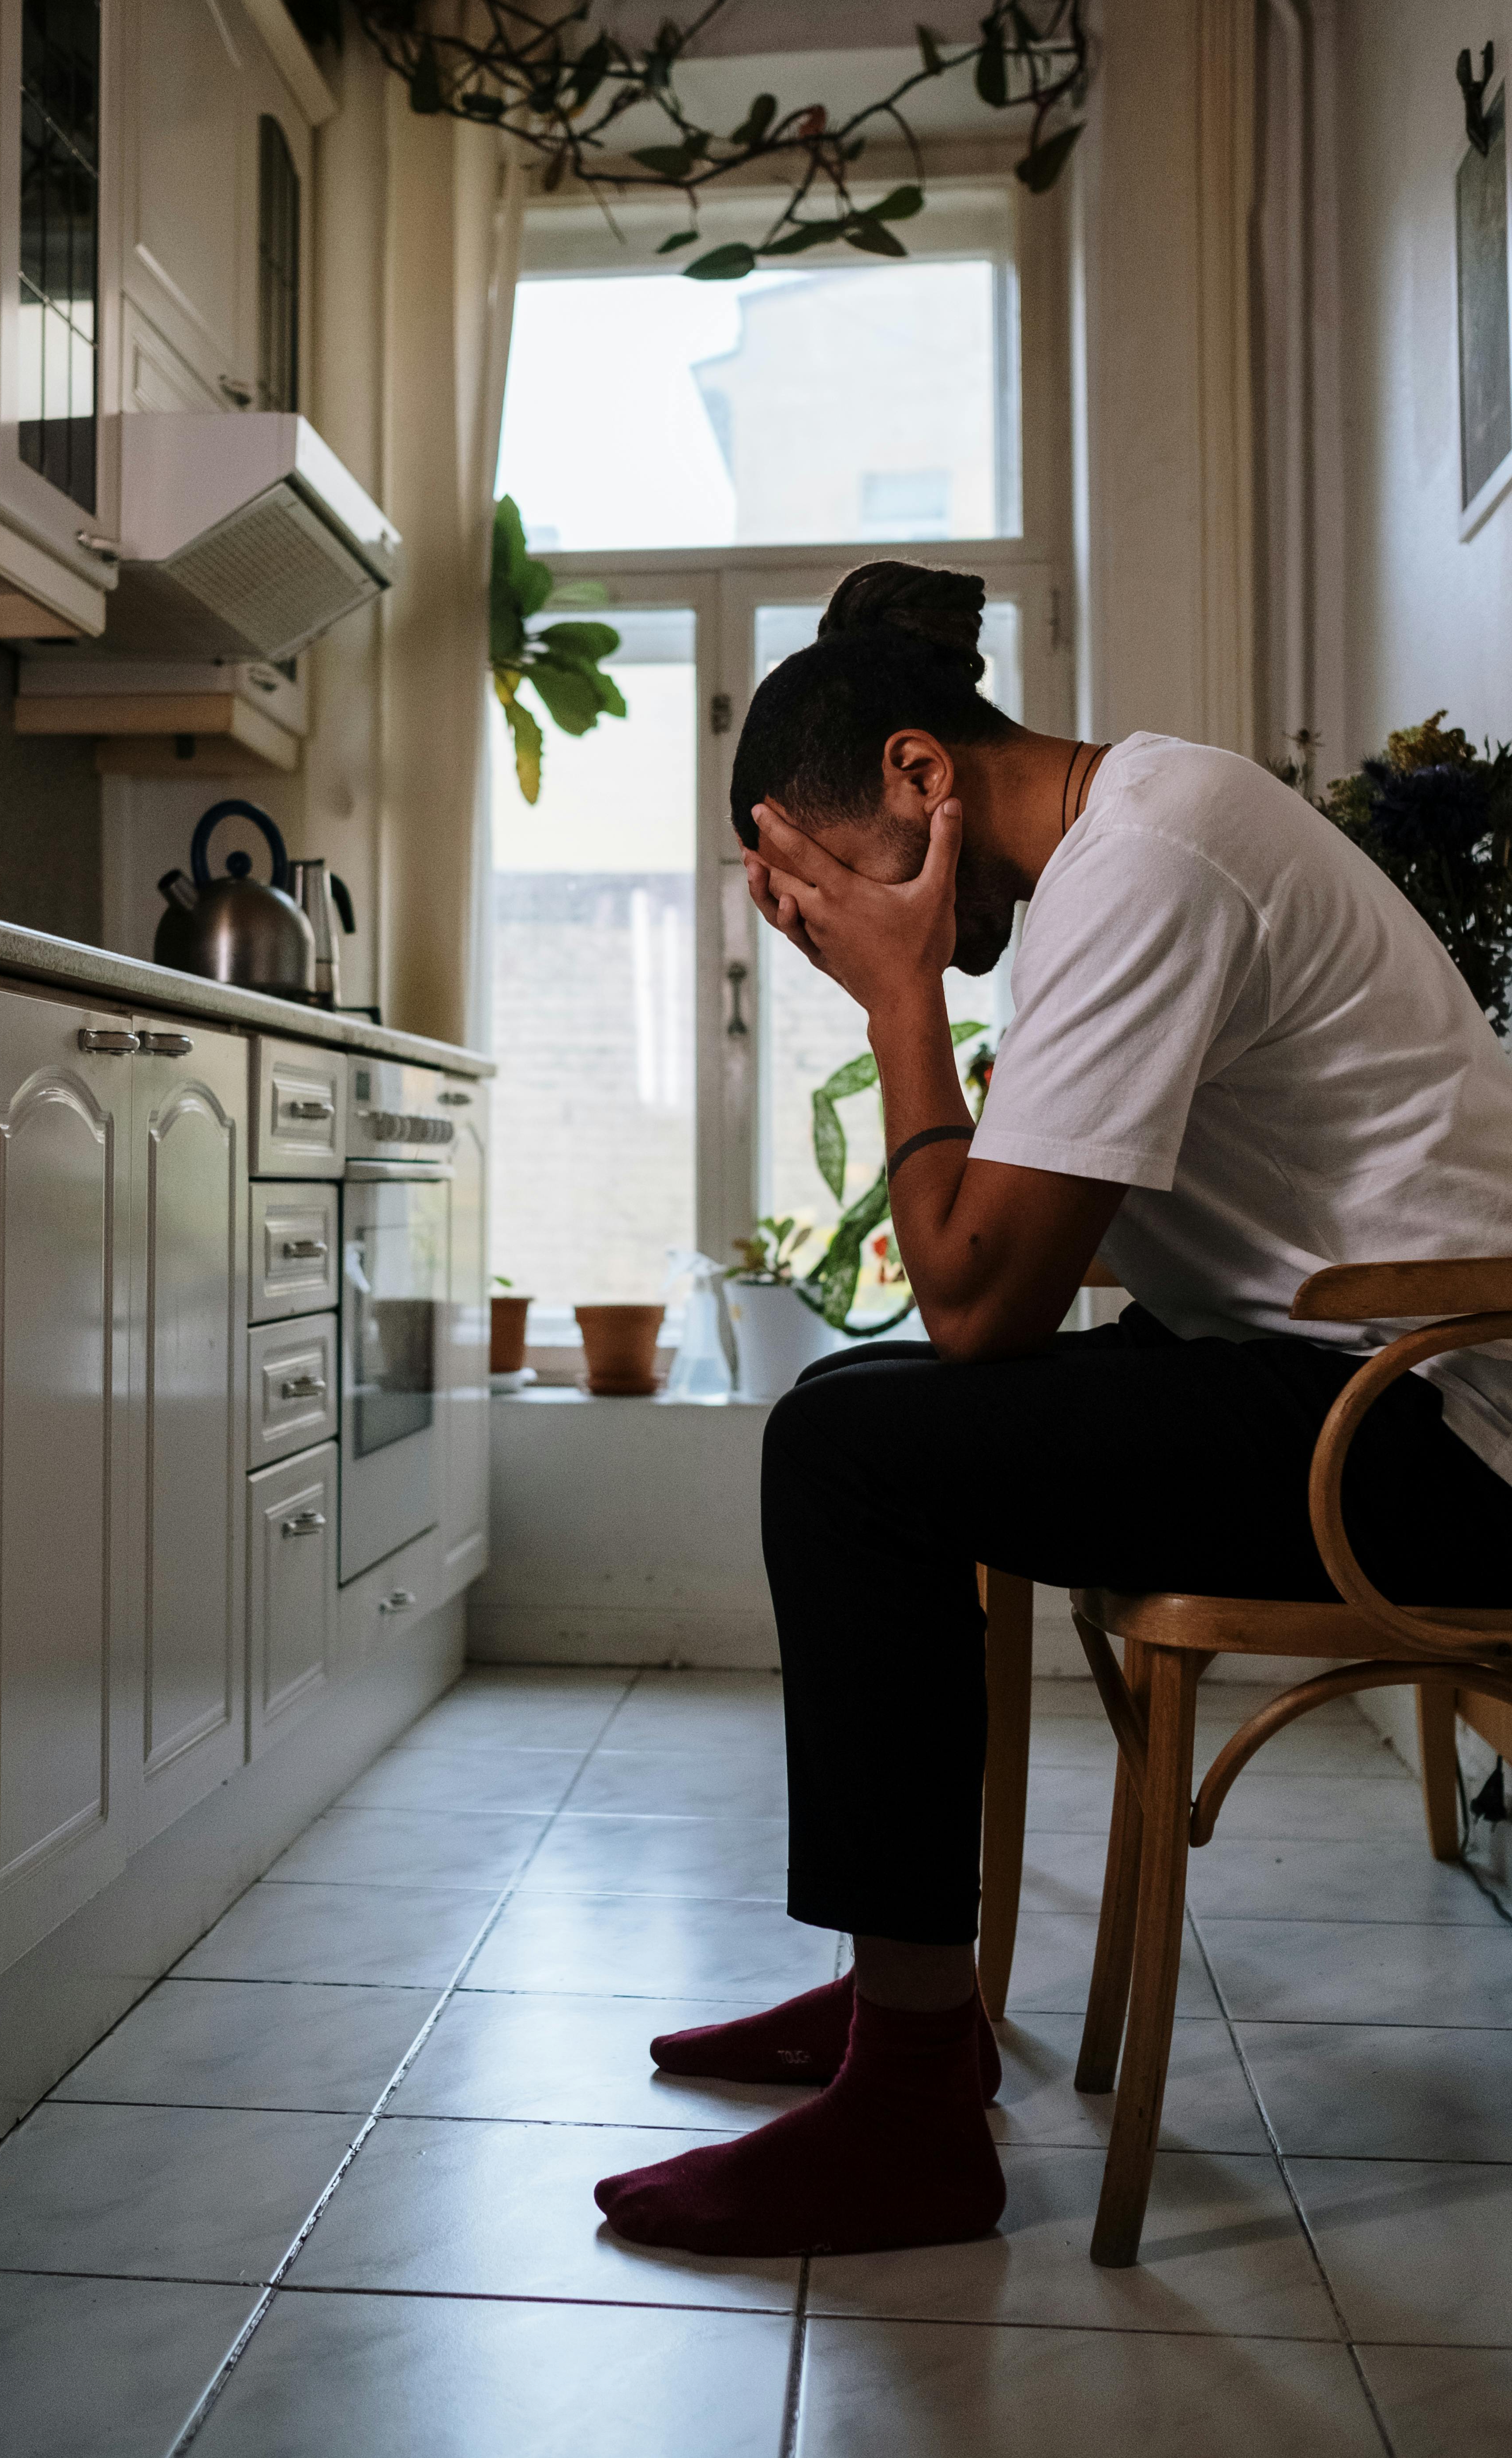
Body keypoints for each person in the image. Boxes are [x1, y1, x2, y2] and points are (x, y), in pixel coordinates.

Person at [593, 557, 1512, 2260]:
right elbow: (991, 1279)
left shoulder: (1146, 860)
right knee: (854, 1404)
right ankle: (899, 1997)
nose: (841, 943)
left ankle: (914, 2105)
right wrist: (903, 975)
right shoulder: (1125, 845)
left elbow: (979, 1296)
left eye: (829, 893)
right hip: (1327, 1377)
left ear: (920, 777)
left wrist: (893, 994)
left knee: (851, 1447)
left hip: (1441, 1430)